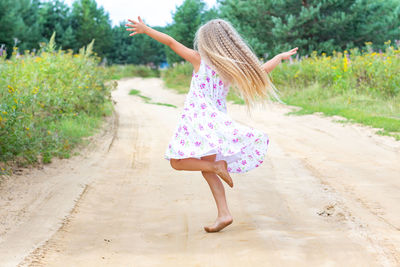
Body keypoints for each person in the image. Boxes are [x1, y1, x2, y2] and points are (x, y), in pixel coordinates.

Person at [126, 17, 298, 233]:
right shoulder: (229, 69)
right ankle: (224, 213)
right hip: (216, 123)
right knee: (206, 171)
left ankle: (216, 169)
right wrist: (279, 57)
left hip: (197, 120)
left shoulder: (199, 60)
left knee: (178, 162)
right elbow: (261, 71)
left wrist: (146, 29)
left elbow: (170, 42)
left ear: (207, 42)